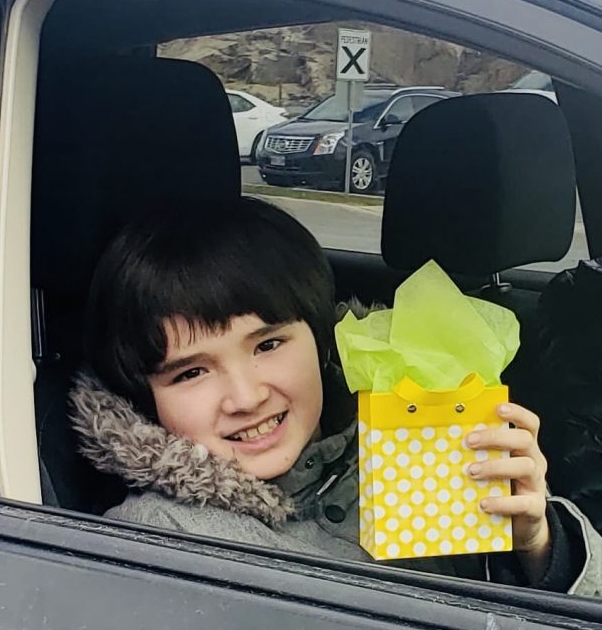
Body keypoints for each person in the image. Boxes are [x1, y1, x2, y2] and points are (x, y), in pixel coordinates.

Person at [71, 196, 602, 597]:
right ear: (146, 398)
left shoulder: (410, 438)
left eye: (269, 343)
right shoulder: (161, 544)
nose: (246, 396)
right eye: (190, 374)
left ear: (323, 341)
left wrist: (538, 544)